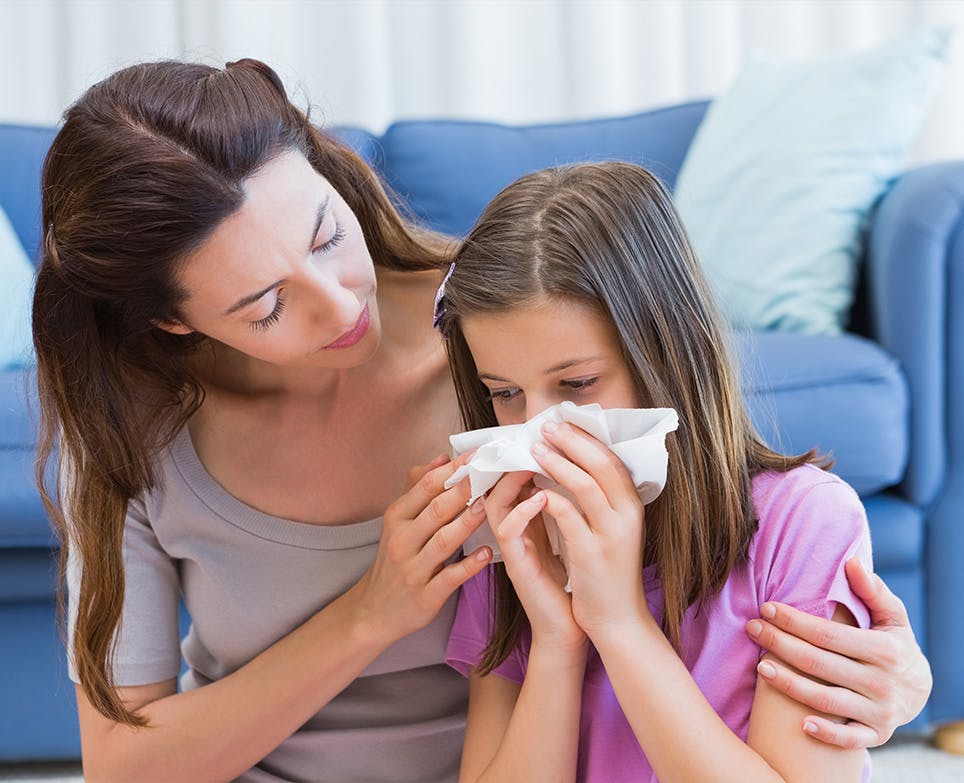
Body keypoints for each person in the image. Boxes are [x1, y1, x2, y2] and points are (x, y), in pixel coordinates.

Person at [32, 59, 928, 783]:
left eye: (324, 234)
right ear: (174, 321)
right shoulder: (124, 439)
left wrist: (892, 683)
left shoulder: (504, 321)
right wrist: (367, 616)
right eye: (265, 305)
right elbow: (124, 765)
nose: (338, 301)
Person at [435, 161, 914, 782]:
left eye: (577, 384)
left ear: (669, 356)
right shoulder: (512, 549)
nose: (540, 432)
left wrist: (619, 623)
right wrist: (556, 642)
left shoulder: (801, 524)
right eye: (505, 392)